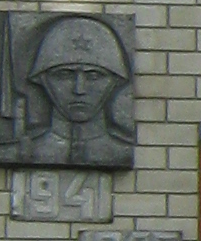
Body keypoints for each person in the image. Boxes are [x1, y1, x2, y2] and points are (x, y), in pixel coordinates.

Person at [22, 14, 134, 167]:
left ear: (115, 81)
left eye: (94, 76)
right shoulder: (24, 151)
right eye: (64, 75)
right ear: (43, 79)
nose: (79, 89)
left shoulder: (123, 152)